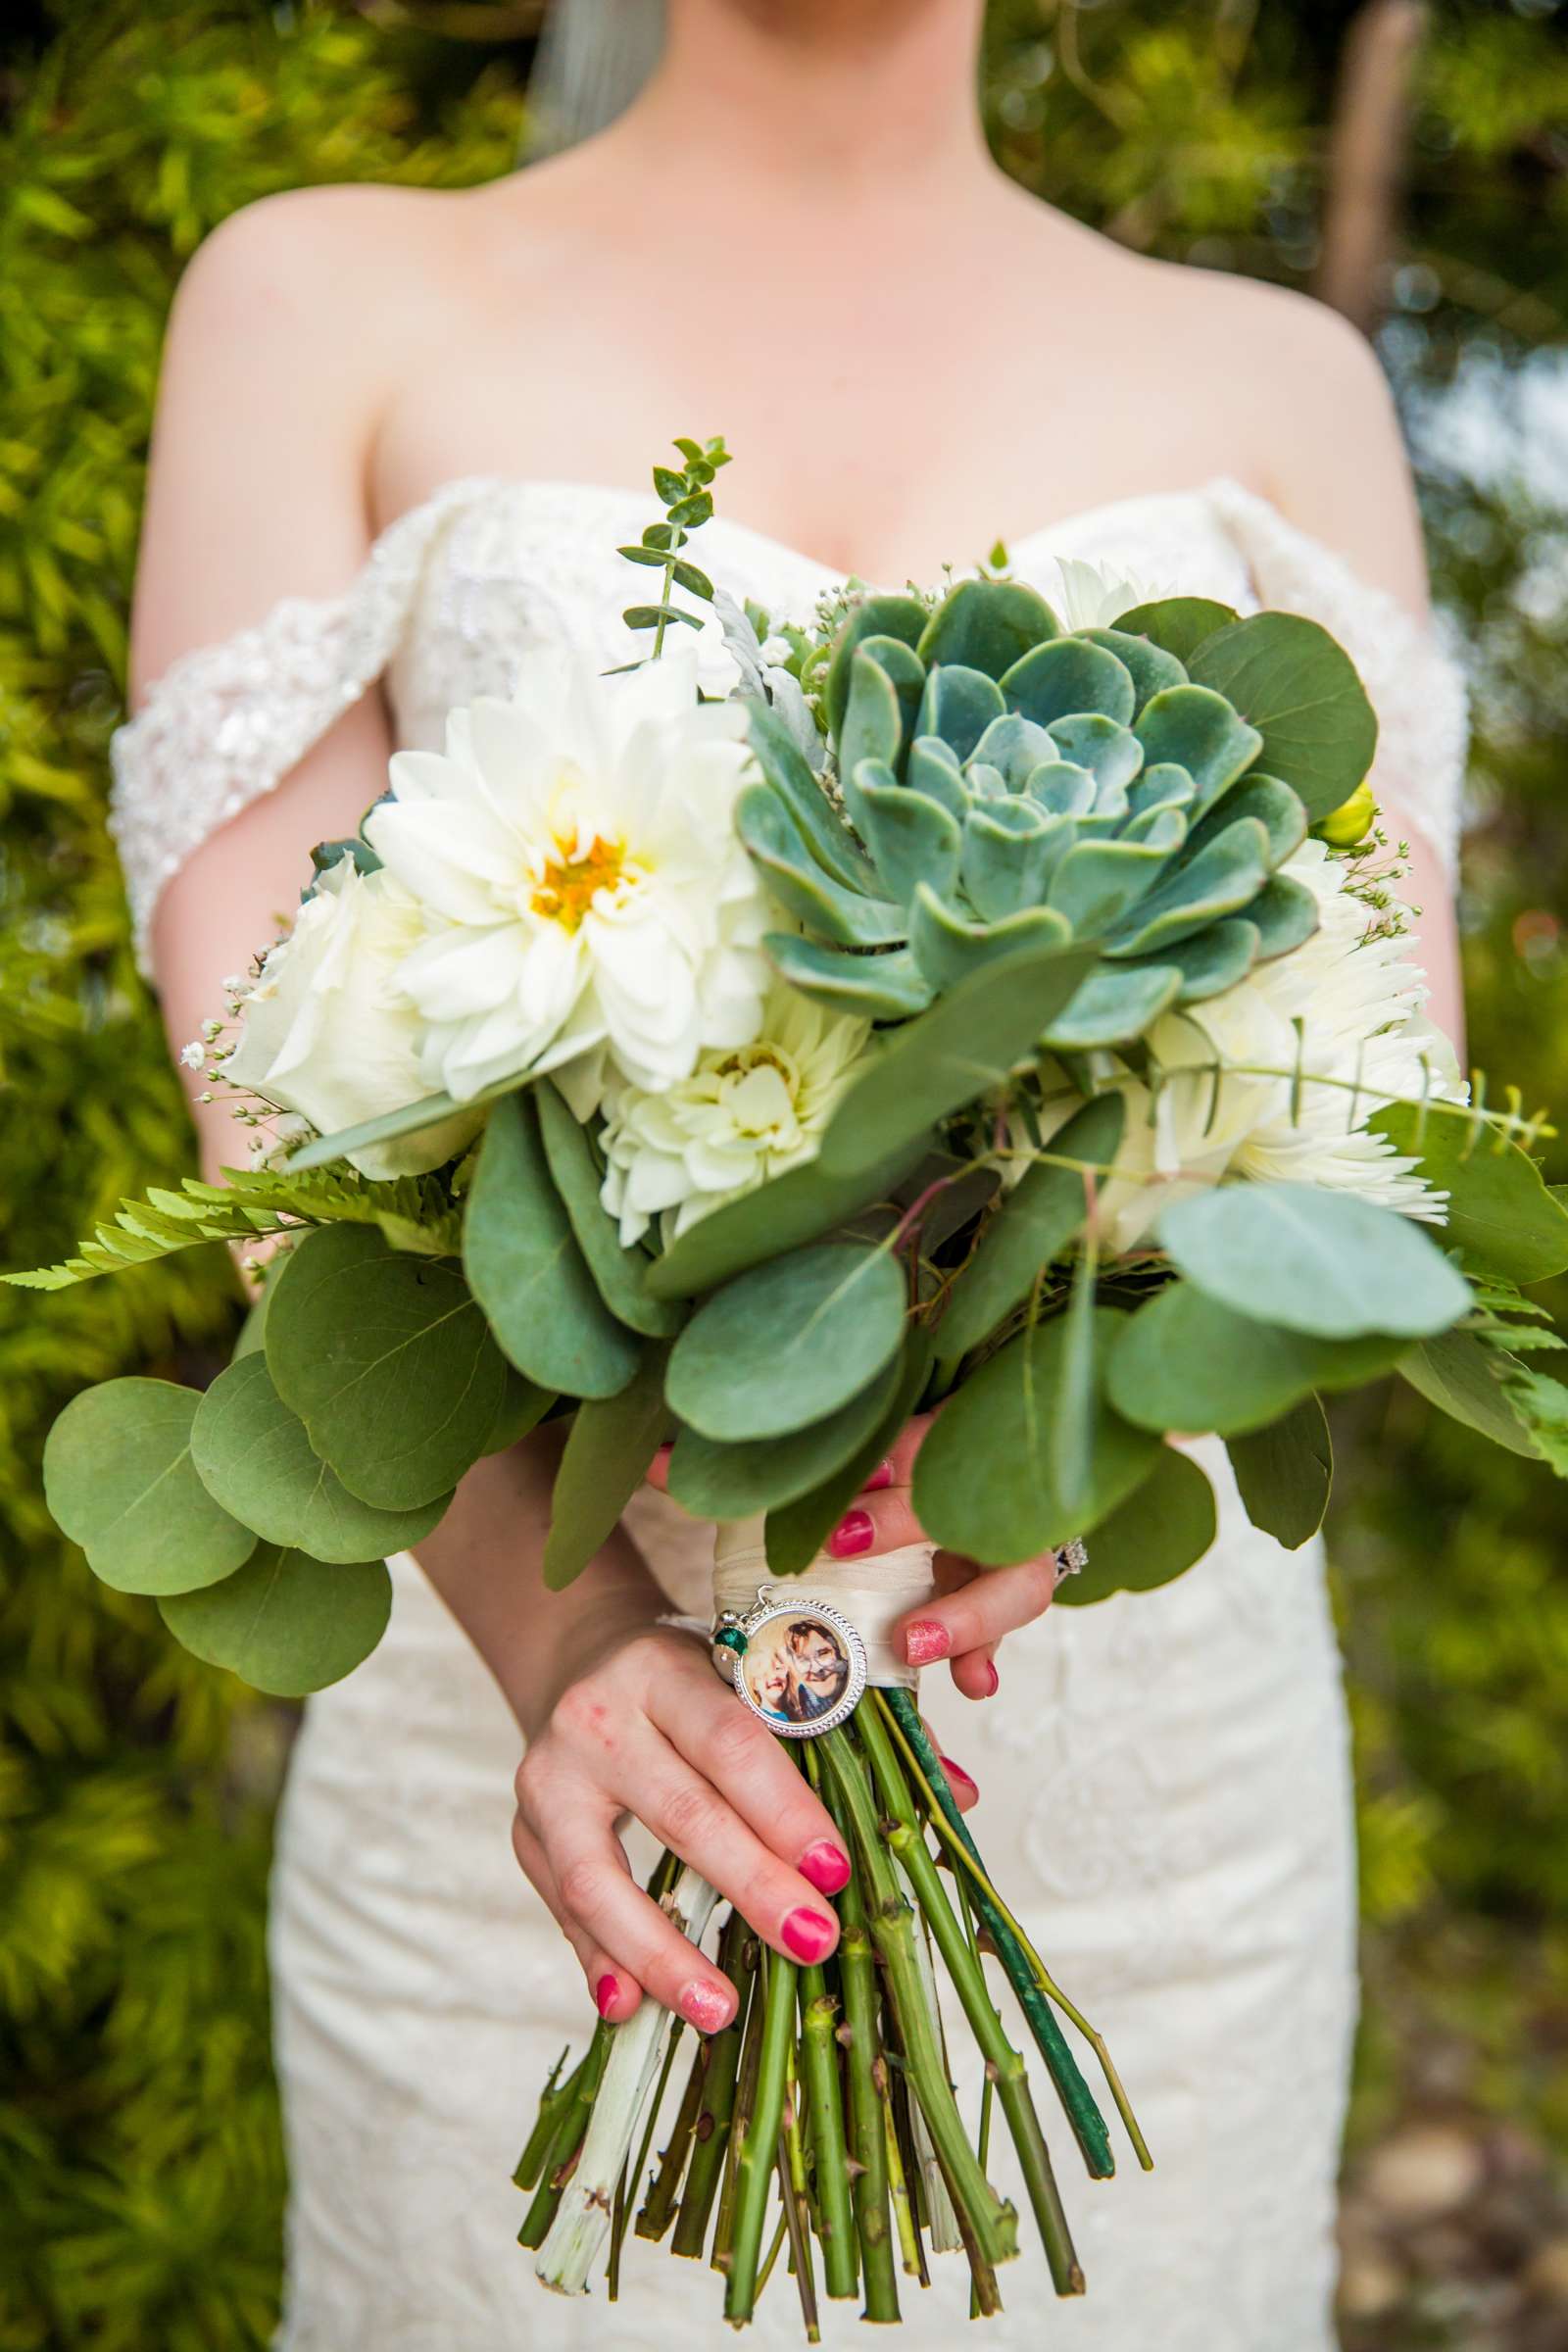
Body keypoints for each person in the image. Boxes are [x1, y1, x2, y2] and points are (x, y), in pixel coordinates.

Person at [109, 2, 1467, 2344]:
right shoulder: (316, 299)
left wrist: (1086, 1401)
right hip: (531, 1770)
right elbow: (285, 1126)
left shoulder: (1280, 386)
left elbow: (1366, 1109)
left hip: (1151, 1808)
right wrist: (581, 1640)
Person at [783, 1620, 850, 1722]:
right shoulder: (797, 1702)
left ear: (836, 1650)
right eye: (803, 1660)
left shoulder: (852, 1677)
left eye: (823, 1654)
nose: (816, 1669)